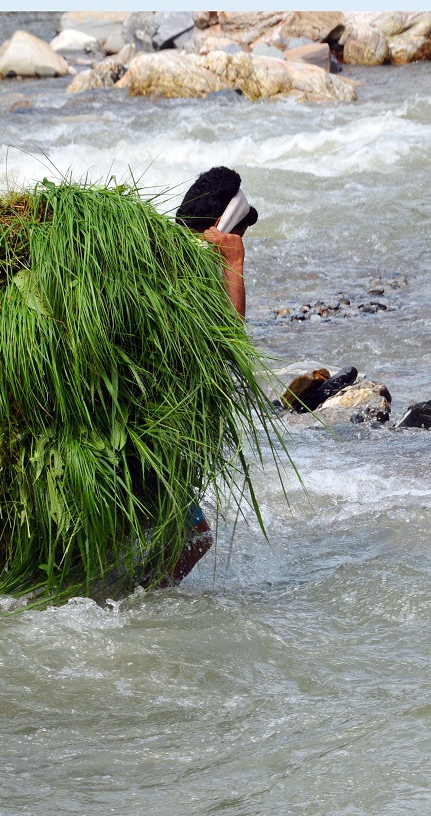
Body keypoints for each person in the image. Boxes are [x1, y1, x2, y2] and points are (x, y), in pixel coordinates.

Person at [149, 166, 258, 586]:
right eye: (239, 234)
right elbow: (231, 344)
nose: (242, 242)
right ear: (220, 228)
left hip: (152, 424)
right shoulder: (188, 273)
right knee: (195, 539)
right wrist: (234, 262)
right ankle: (138, 603)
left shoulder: (162, 255)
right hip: (150, 429)